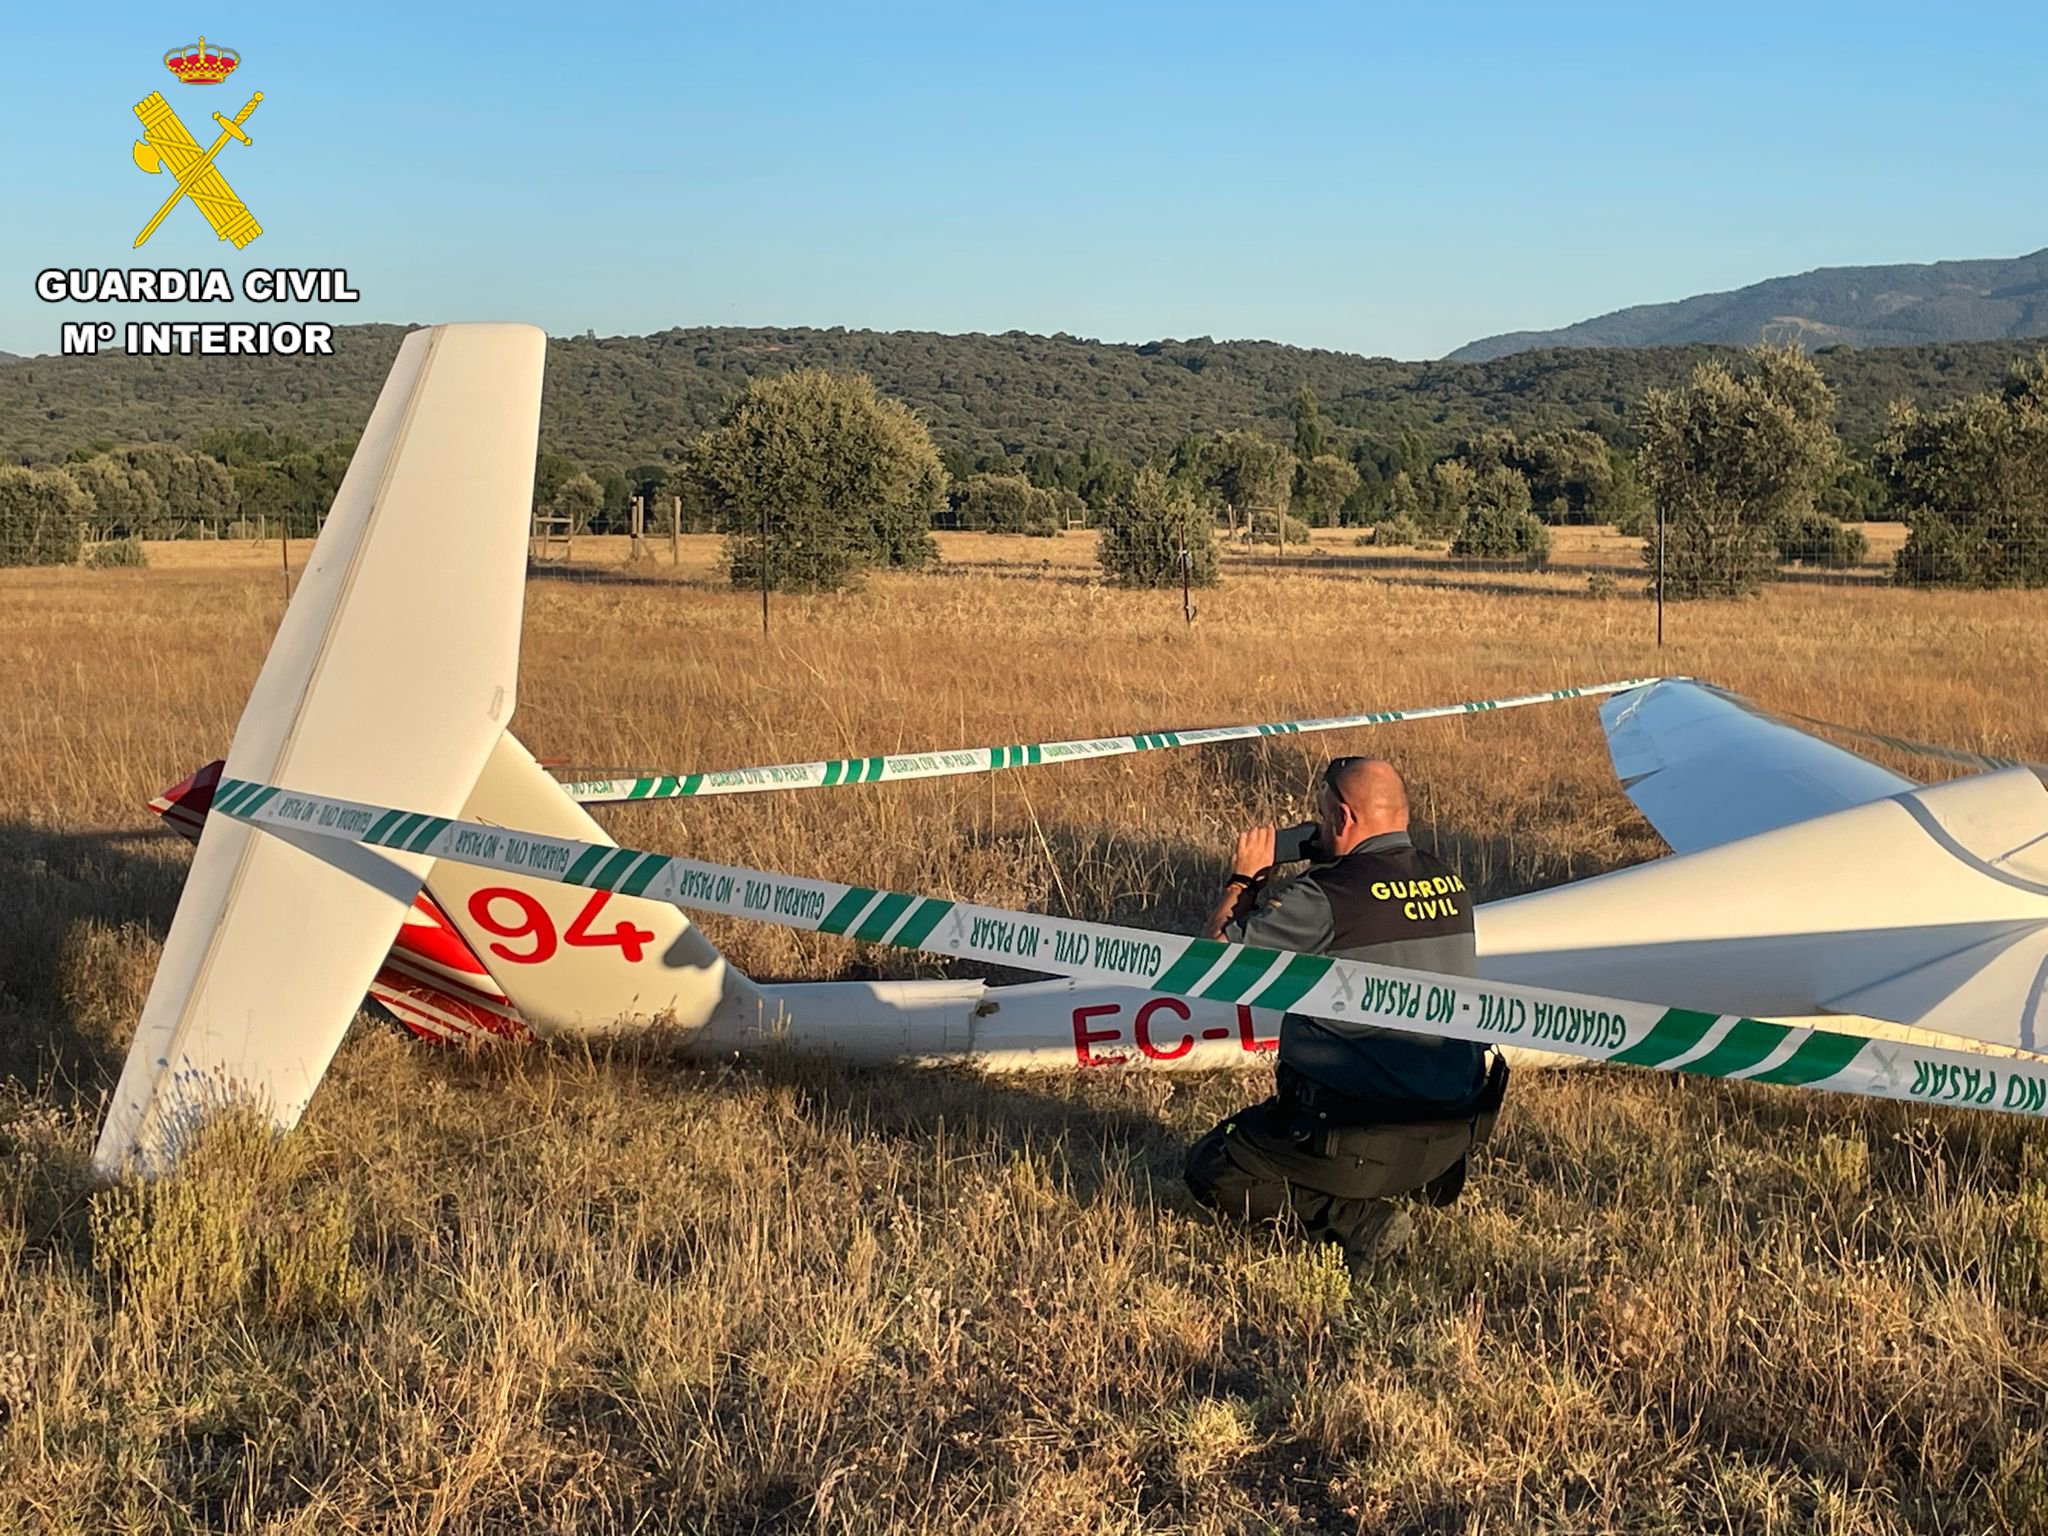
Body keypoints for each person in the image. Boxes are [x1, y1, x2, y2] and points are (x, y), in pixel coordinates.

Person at [1183, 756, 1508, 1272]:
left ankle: (1353, 1219)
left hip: (1363, 1139)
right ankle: (1416, 1180)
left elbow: (1216, 960)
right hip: (1453, 1133)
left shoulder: (1325, 896)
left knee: (1214, 1166)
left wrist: (1243, 881)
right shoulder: (1452, 884)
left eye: (1319, 816)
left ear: (1340, 817)